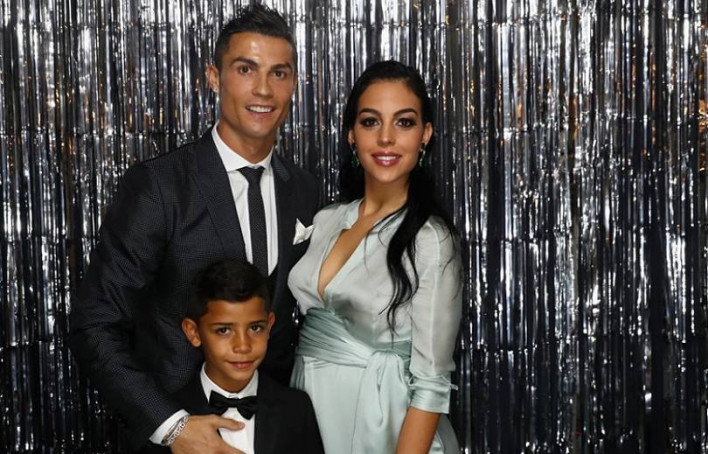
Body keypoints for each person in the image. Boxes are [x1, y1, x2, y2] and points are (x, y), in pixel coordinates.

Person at [69, 4, 319, 453]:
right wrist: (172, 426)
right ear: (213, 77)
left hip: (277, 434)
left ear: (295, 82)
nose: (264, 89)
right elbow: (95, 323)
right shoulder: (159, 186)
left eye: (279, 73)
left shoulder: (303, 190)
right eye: (246, 69)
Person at [288, 60, 462, 454]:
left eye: (404, 123)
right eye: (370, 122)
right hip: (309, 418)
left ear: (425, 134)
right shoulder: (327, 219)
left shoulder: (431, 240)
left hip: (385, 428)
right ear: (352, 134)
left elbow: (432, 383)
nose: (386, 138)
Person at [145, 259, 324, 454]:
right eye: (224, 330)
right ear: (194, 332)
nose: (243, 346)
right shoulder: (167, 419)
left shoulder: (296, 408)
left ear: (269, 325)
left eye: (255, 328)